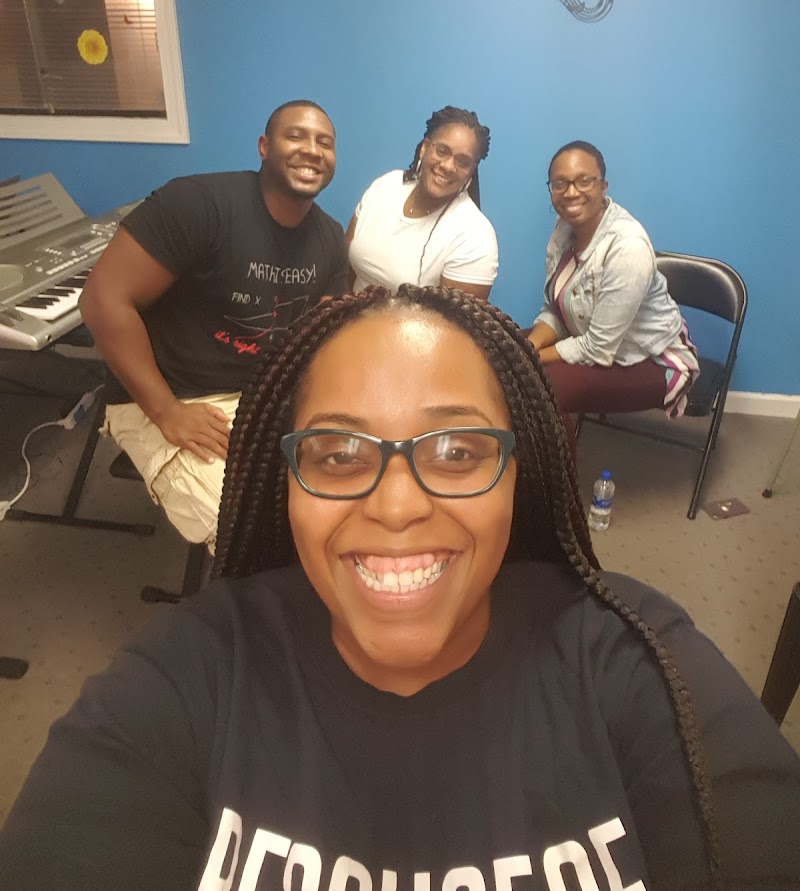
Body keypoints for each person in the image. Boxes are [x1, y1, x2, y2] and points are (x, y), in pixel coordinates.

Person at [2, 285, 799, 891]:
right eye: (338, 452)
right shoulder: (192, 669)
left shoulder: (632, 654)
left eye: (455, 450)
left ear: (518, 472)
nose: (395, 506)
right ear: (287, 480)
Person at [79, 99, 348, 551]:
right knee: (254, 537)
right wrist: (165, 411)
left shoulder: (330, 238)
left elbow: (319, 340)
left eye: (325, 142)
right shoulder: (198, 204)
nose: (312, 150)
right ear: (264, 146)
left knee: (347, 500)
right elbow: (102, 299)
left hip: (261, 399)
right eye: (295, 135)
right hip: (170, 396)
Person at [528, 140, 700, 418]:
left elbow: (598, 348)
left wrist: (531, 359)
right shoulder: (565, 229)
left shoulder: (627, 247)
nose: (571, 192)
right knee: (503, 352)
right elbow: (555, 309)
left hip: (654, 360)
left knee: (545, 389)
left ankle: (550, 449)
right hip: (591, 341)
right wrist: (528, 348)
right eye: (560, 183)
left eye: (584, 181)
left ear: (603, 186)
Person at [346, 106, 499, 298]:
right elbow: (346, 269)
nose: (448, 166)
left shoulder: (475, 235)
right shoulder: (386, 186)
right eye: (442, 151)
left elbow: (455, 317)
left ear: (471, 170)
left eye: (462, 161)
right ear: (425, 148)